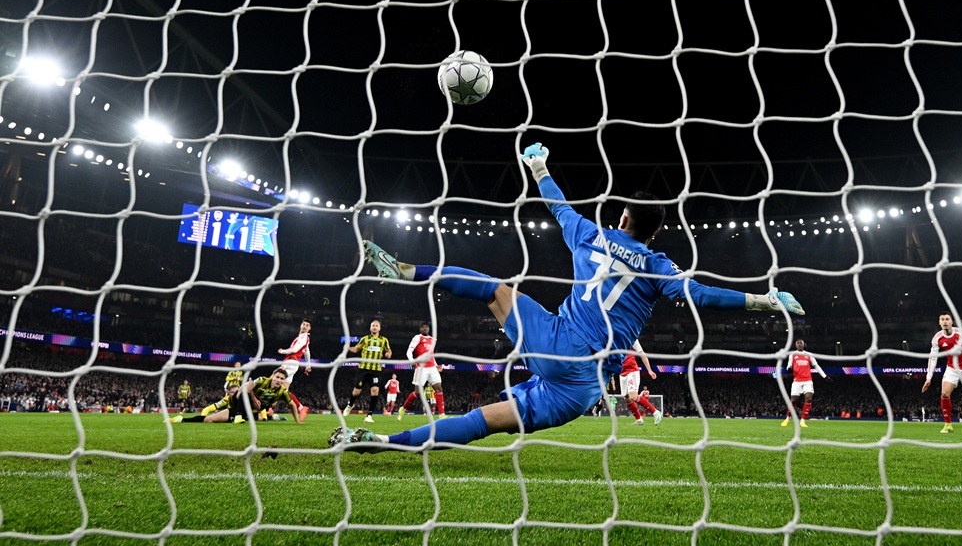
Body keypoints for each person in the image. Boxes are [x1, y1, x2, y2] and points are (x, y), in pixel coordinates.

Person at [329, 142, 804, 452]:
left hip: (559, 342)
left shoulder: (591, 235)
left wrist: (539, 167)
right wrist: (766, 301)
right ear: (655, 232)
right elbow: (702, 296)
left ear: (621, 218)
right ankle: (383, 442)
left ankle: (412, 272)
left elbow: (559, 207)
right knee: (483, 421)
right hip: (583, 389)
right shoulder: (660, 266)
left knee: (495, 290)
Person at [921, 311, 962, 434]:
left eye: (947, 319)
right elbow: (933, 357)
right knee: (944, 394)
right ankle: (948, 425)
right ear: (939, 322)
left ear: (952, 322)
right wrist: (928, 377)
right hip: (952, 368)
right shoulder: (937, 338)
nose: (945, 321)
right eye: (942, 319)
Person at [173, 367, 303, 425]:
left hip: (249, 411)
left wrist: (297, 421)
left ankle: (181, 419)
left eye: (282, 378)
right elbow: (247, 388)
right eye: (277, 377)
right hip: (239, 403)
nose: (279, 380)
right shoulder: (263, 380)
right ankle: (239, 416)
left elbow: (292, 404)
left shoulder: (282, 392)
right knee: (244, 387)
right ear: (273, 376)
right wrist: (254, 397)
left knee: (210, 420)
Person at [343, 317, 393, 423]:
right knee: (356, 392)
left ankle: (369, 415)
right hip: (363, 369)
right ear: (370, 328)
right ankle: (350, 405)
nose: (374, 327)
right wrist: (348, 347)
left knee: (375, 392)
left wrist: (388, 354)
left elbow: (389, 350)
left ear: (379, 328)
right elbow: (356, 349)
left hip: (376, 370)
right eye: (373, 325)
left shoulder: (384, 340)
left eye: (376, 325)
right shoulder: (365, 339)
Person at [396, 321, 447, 420]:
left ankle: (442, 414)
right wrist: (412, 360)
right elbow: (409, 351)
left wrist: (436, 365)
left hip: (432, 367)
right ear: (420, 329)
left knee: (439, 388)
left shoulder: (432, 340)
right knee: (418, 392)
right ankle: (403, 408)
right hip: (421, 368)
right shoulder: (417, 338)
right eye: (423, 327)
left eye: (427, 327)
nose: (425, 329)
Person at [780, 338, 831, 428]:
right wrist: (789, 369)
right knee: (793, 401)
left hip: (807, 380)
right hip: (797, 381)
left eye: (801, 343)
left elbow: (816, 365)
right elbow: (789, 366)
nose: (799, 344)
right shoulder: (792, 355)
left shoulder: (809, 355)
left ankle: (802, 421)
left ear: (804, 345)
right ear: (796, 345)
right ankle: (788, 418)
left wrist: (824, 376)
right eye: (798, 343)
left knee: (809, 399)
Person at [620, 340, 662, 426]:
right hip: (622, 373)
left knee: (633, 396)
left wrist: (649, 370)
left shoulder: (632, 337)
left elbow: (642, 354)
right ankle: (639, 419)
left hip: (632, 371)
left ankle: (655, 412)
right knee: (627, 398)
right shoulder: (612, 340)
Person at [277, 318, 313, 420]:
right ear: (301, 326)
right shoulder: (302, 338)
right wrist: (308, 365)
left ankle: (266, 409)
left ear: (309, 328)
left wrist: (282, 351)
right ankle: (301, 408)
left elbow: (295, 349)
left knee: (274, 381)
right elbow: (307, 352)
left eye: (307, 325)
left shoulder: (303, 337)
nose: (305, 326)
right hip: (293, 364)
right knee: (284, 390)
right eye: (304, 324)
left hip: (290, 362)